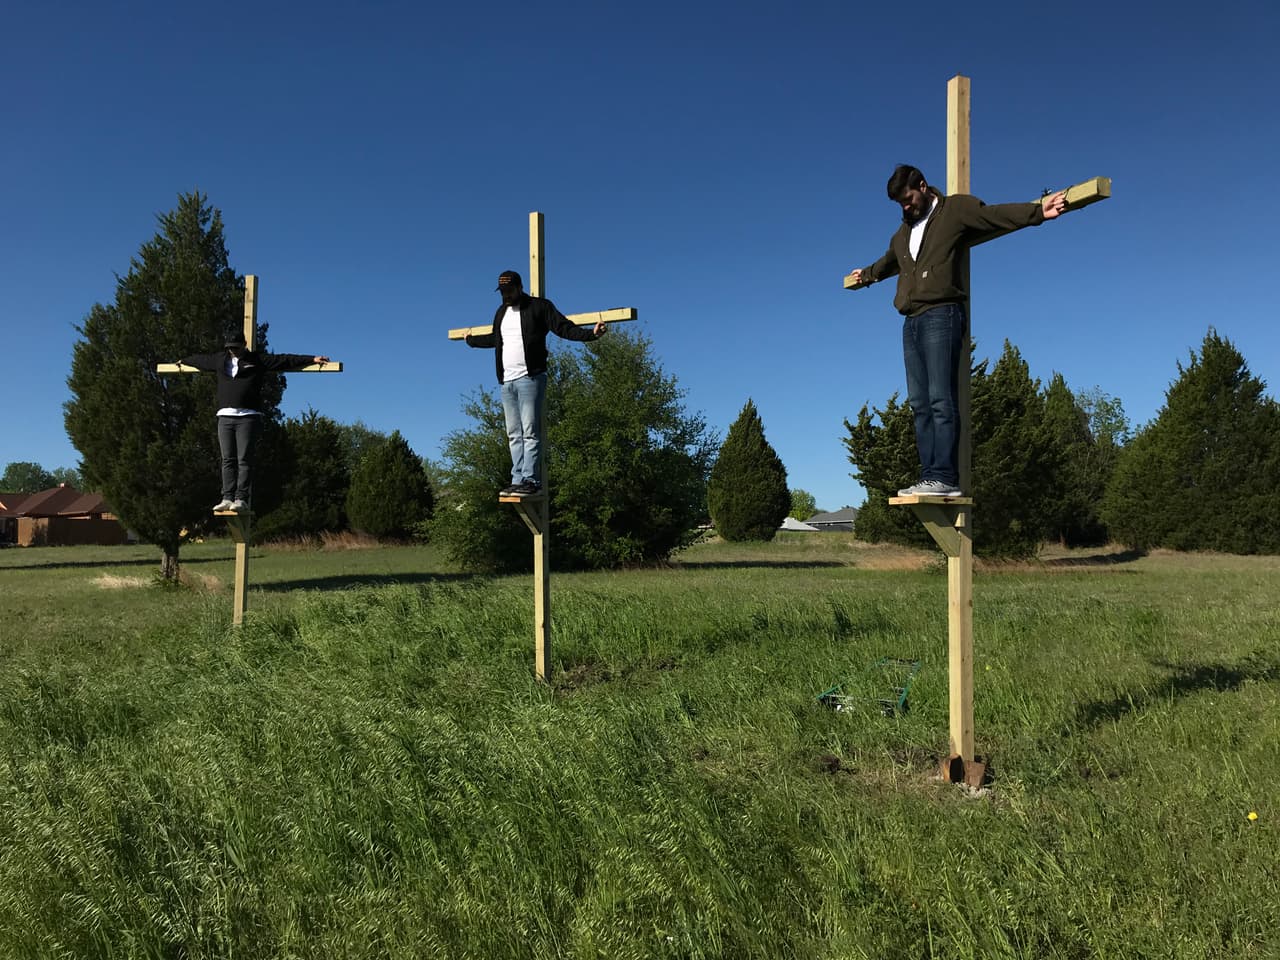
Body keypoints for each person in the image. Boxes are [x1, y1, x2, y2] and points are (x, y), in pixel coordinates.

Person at [850, 165, 1068, 496]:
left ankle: (945, 477)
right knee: (919, 403)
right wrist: (866, 275)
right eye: (900, 205)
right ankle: (929, 476)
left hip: (941, 314)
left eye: (908, 200)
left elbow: (994, 215)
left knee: (940, 398)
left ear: (922, 186)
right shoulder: (903, 233)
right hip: (911, 321)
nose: (905, 208)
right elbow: (888, 262)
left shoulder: (954, 210)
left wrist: (1038, 211)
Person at [465, 270, 606, 496]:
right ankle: (517, 478)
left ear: (519, 288)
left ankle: (531, 481)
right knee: (513, 432)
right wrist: (471, 341)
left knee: (530, 430)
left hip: (530, 378)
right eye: (502, 292)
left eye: (509, 291)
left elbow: (563, 327)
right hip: (507, 381)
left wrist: (592, 334)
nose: (506, 296)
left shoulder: (539, 307)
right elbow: (495, 339)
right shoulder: (501, 312)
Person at [179, 334, 328, 513]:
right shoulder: (220, 360)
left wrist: (311, 359)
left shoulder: (257, 360)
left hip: (248, 417)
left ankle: (241, 498)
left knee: (244, 459)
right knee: (227, 459)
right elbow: (201, 360)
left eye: (236, 347)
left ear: (244, 345)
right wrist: (183, 360)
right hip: (225, 417)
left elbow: (284, 360)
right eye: (230, 347)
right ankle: (227, 497)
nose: (232, 350)